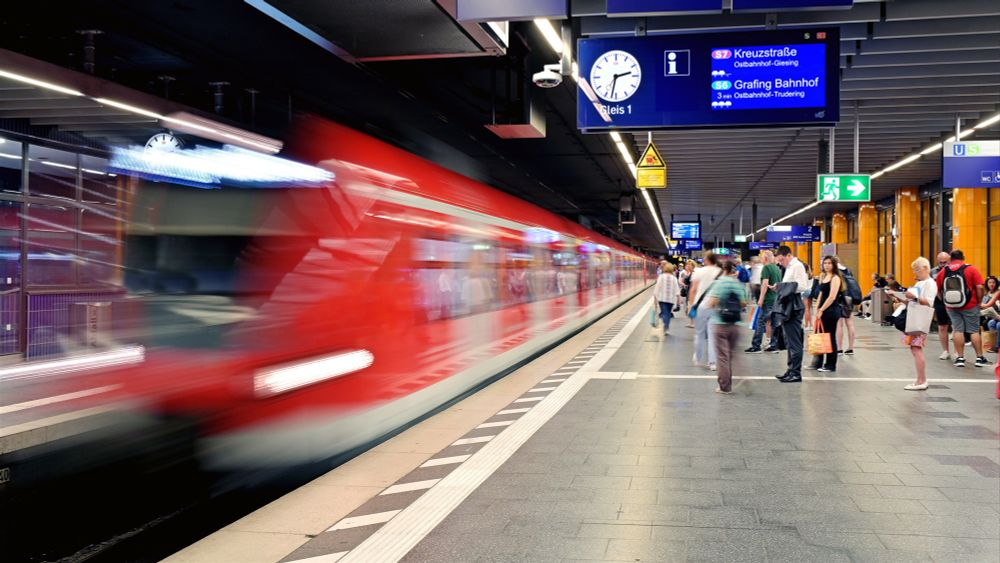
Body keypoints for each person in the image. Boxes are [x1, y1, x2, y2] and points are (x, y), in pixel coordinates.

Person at [935, 249, 988, 368]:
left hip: (951, 306)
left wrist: (945, 302)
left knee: (957, 330)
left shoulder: (943, 272)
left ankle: (960, 358)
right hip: (970, 304)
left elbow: (938, 290)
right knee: (973, 330)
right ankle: (979, 358)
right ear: (963, 257)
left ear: (950, 259)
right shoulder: (971, 269)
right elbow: (980, 287)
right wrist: (979, 301)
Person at [708, 261, 746, 394]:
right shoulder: (738, 284)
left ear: (723, 269)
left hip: (720, 323)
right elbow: (743, 303)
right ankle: (742, 377)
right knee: (731, 354)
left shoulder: (719, 283)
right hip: (735, 324)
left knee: (722, 357)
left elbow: (711, 303)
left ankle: (725, 386)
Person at [774, 246, 809, 383]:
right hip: (788, 305)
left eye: (782, 260)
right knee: (789, 341)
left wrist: (783, 287)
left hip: (794, 306)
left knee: (794, 342)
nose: (781, 263)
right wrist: (780, 286)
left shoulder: (797, 266)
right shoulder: (789, 267)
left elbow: (802, 286)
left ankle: (796, 373)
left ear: (788, 255)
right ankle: (790, 370)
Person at [903, 257, 938, 390]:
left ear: (925, 268)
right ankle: (920, 379)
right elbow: (913, 300)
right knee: (914, 348)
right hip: (915, 317)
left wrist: (914, 297)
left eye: (917, 270)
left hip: (920, 319)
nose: (915, 273)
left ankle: (921, 380)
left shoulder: (930, 283)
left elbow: (929, 301)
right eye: (914, 270)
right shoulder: (919, 283)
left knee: (916, 348)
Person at [807, 256, 847, 373]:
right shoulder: (823, 277)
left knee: (829, 337)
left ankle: (830, 365)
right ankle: (817, 363)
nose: (827, 265)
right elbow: (821, 294)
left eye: (829, 263)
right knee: (820, 336)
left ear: (834, 265)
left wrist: (822, 310)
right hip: (822, 310)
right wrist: (817, 308)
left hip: (831, 310)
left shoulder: (835, 278)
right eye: (825, 263)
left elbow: (832, 297)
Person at [689, 252, 722, 370]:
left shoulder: (699, 271)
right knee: (713, 335)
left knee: (699, 333)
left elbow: (693, 289)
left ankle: (697, 358)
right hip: (715, 306)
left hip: (700, 306)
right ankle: (712, 363)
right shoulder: (720, 271)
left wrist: (691, 305)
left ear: (707, 260)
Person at [745, 250, 781, 353]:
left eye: (761, 257)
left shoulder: (766, 268)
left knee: (760, 322)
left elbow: (765, 284)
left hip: (768, 300)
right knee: (774, 322)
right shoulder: (777, 269)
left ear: (765, 258)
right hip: (776, 299)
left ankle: (756, 345)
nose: (760, 259)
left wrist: (761, 299)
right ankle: (774, 345)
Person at [929, 252, 955, 360]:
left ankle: (958, 351)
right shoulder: (933, 272)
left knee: (956, 326)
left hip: (955, 300)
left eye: (945, 262)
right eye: (941, 262)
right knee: (942, 326)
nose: (943, 264)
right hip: (939, 301)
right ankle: (945, 351)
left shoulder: (955, 270)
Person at [837, 261, 859, 355]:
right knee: (850, 324)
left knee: (839, 324)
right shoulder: (847, 270)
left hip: (839, 298)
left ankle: (839, 348)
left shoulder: (835, 271)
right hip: (849, 299)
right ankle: (850, 348)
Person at [653, 261, 681, 335]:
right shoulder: (674, 278)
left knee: (664, 313)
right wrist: (678, 300)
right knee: (668, 313)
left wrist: (655, 299)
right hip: (671, 299)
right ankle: (667, 327)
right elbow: (677, 290)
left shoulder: (661, 277)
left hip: (662, 299)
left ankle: (666, 326)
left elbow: (657, 288)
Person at [980, 276, 1000, 353]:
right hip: (994, 315)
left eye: (993, 282)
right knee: (991, 323)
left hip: (995, 314)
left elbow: (988, 305)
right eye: (990, 282)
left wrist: (977, 304)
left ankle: (997, 347)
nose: (991, 284)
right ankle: (993, 343)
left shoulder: (998, 292)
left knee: (998, 325)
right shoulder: (987, 292)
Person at [679, 260, 696, 326]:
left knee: (691, 307)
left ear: (693, 266)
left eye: (689, 265)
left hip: (692, 292)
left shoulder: (694, 273)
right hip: (688, 291)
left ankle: (693, 322)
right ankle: (691, 322)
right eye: (687, 264)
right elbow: (683, 281)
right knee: (689, 307)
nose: (688, 266)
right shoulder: (688, 273)